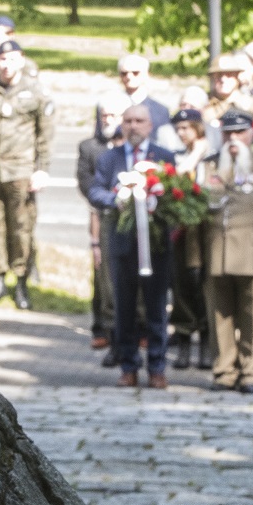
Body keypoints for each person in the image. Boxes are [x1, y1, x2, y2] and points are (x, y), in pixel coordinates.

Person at [88, 105, 176, 388]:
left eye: (139, 121)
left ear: (150, 125)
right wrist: (117, 199)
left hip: (156, 245)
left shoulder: (164, 157)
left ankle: (157, 367)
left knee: (156, 308)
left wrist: (158, 201)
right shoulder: (109, 158)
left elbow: (176, 193)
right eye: (128, 121)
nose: (134, 126)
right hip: (122, 244)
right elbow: (95, 191)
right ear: (122, 126)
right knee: (124, 308)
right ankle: (128, 367)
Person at [0, 40, 54, 309]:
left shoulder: (36, 92)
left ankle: (21, 281)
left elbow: (45, 135)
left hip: (21, 171)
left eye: (12, 59)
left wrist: (42, 170)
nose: (6, 65)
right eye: (2, 59)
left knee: (21, 228)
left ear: (22, 60)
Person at [202, 110, 253, 393]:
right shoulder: (209, 166)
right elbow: (196, 217)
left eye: (239, 132)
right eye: (228, 133)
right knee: (219, 316)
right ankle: (224, 371)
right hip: (216, 254)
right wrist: (194, 258)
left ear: (251, 134)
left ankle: (250, 372)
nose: (233, 138)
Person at [169, 110, 215, 370]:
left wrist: (199, 153)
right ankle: (184, 338)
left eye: (186, 127)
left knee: (205, 286)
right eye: (178, 128)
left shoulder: (212, 157)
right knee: (182, 286)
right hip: (183, 233)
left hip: (206, 232)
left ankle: (206, 342)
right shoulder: (179, 156)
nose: (181, 133)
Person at [78, 92, 119, 352]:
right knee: (101, 273)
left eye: (114, 115)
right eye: (105, 115)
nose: (109, 120)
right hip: (100, 214)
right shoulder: (90, 147)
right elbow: (85, 182)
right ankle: (102, 327)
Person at [97, 54, 177, 150]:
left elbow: (165, 144)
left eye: (135, 73)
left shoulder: (160, 111)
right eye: (124, 73)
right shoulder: (107, 106)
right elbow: (99, 140)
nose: (129, 76)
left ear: (147, 74)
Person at [204, 53, 253, 128]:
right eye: (218, 75)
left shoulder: (250, 103)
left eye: (228, 74)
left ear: (236, 76)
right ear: (212, 78)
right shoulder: (204, 103)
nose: (223, 79)